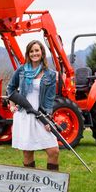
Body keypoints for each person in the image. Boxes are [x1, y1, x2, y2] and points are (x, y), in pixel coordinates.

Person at [6, 40, 59, 171]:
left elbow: (49, 99)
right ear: (28, 54)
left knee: (53, 151)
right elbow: (10, 88)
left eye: (37, 50)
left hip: (40, 114)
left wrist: (47, 118)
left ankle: (51, 186)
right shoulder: (22, 70)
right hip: (24, 114)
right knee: (28, 153)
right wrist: (12, 105)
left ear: (42, 52)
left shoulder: (50, 74)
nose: (34, 53)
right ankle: (30, 185)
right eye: (31, 51)